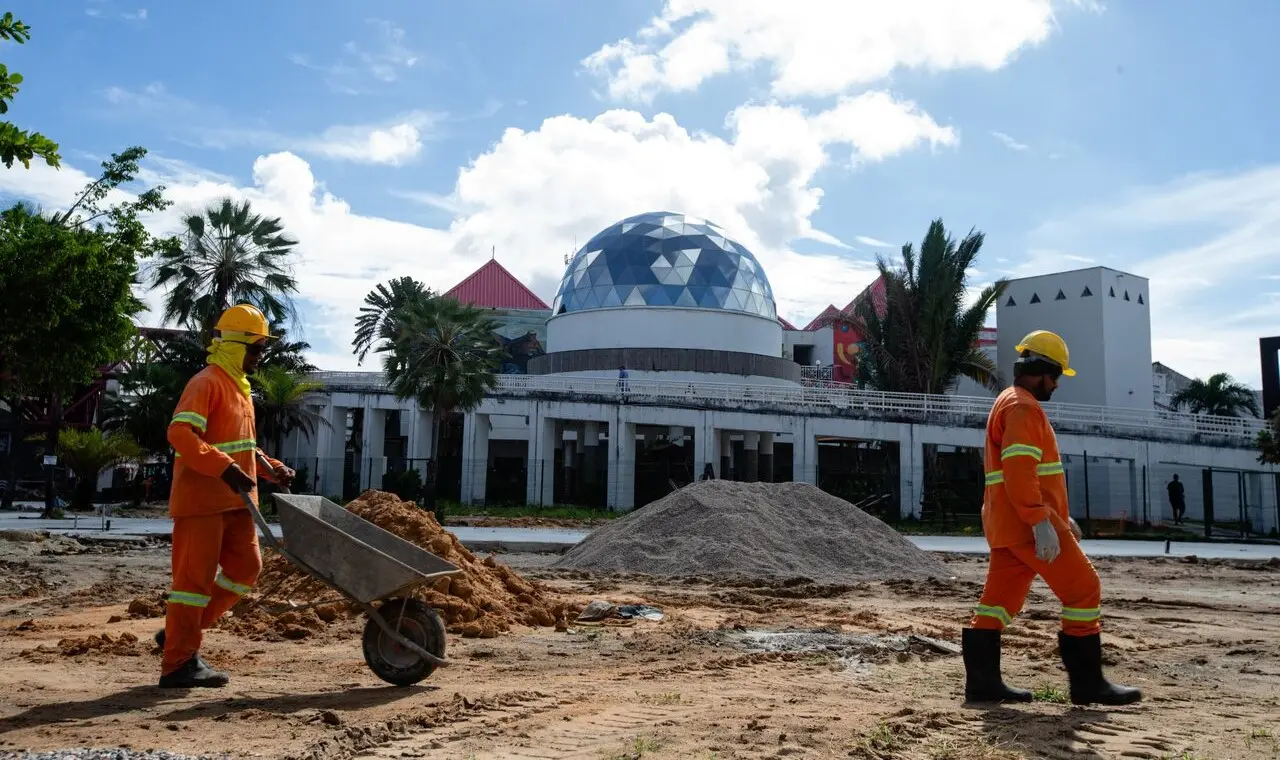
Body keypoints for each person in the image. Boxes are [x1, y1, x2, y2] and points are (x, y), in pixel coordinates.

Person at [961, 330, 1141, 706]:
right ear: (1040, 370)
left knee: (998, 602)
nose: (1057, 384)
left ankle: (981, 685)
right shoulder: (1024, 408)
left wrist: (1059, 518)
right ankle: (1088, 684)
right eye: (1055, 375)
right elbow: (1020, 469)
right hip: (1026, 523)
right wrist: (1039, 520)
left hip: (1007, 525)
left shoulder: (1008, 402)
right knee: (1083, 588)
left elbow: (1018, 473)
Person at [156, 304, 294, 688]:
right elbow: (180, 435)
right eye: (256, 349)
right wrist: (222, 467)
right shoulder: (206, 383)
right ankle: (178, 664)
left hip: (236, 501)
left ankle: (180, 633)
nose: (260, 357)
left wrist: (270, 468)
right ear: (237, 345)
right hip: (202, 502)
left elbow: (243, 445)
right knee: (193, 583)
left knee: (247, 568)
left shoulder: (239, 388)